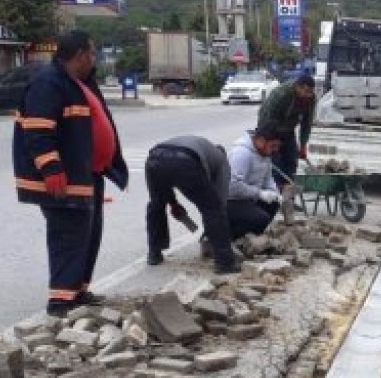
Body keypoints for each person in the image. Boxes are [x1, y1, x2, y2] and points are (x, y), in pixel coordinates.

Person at [12, 30, 128, 317]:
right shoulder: (48, 83)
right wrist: (51, 167)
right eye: (92, 53)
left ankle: (78, 290)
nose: (94, 59)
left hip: (87, 174)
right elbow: (38, 130)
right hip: (62, 179)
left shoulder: (78, 82)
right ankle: (61, 300)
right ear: (78, 55)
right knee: (68, 235)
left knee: (89, 233)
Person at [142, 135, 240, 274]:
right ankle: (225, 263)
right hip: (184, 160)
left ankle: (154, 253)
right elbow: (218, 203)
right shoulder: (222, 162)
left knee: (156, 205)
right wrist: (215, 232)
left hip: (154, 158)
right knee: (213, 209)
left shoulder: (205, 150)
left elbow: (169, 174)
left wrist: (173, 204)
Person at [227, 122, 286, 238]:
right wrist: (259, 193)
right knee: (261, 219)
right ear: (261, 141)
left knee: (273, 203)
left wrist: (275, 194)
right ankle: (226, 236)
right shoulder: (242, 153)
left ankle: (250, 236)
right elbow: (233, 186)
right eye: (273, 146)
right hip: (229, 201)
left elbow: (268, 179)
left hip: (247, 199)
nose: (275, 150)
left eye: (277, 146)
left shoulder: (265, 155)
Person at [257, 75, 316, 187]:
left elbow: (306, 123)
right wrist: (265, 140)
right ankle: (277, 196)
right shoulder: (282, 94)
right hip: (271, 130)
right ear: (298, 87)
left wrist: (303, 145)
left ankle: (289, 194)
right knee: (276, 165)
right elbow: (266, 116)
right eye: (306, 91)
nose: (308, 95)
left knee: (292, 161)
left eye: (311, 92)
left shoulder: (310, 98)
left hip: (288, 130)